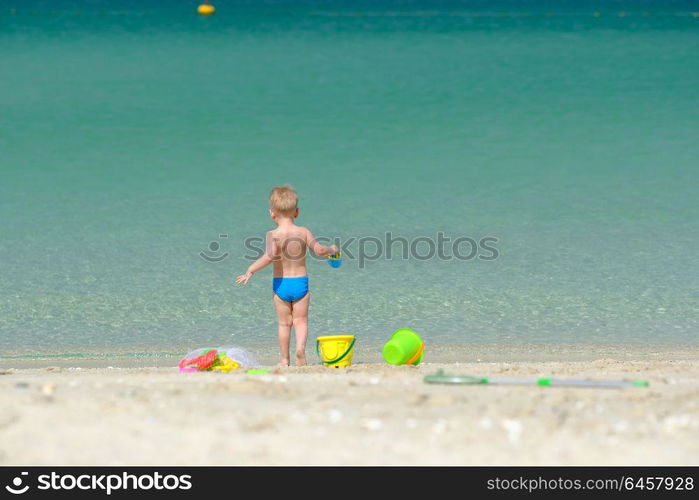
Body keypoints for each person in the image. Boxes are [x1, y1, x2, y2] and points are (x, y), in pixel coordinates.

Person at [236, 185, 338, 366]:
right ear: (296, 212)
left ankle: (284, 359)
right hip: (300, 283)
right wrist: (332, 250)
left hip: (281, 285)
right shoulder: (303, 232)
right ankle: (300, 350)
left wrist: (251, 269)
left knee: (284, 324)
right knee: (300, 321)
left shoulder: (272, 234)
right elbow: (319, 250)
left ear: (272, 213)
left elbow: (269, 257)